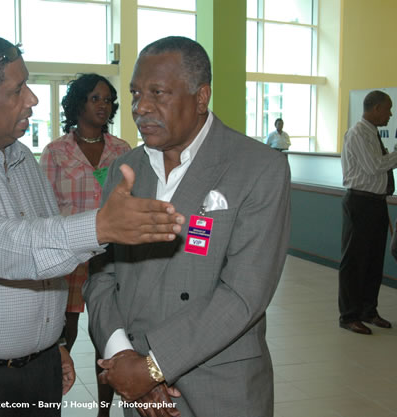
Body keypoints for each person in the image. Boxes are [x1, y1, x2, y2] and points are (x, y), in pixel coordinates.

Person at [0, 34, 185, 417]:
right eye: (17, 90)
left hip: (37, 372)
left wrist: (49, 341)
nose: (32, 99)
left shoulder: (21, 157)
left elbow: (40, 246)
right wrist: (98, 228)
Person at [84, 36, 291, 417]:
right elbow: (100, 274)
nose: (140, 107)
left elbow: (244, 294)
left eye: (158, 93)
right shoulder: (125, 169)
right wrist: (122, 356)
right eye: (134, 93)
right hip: (139, 390)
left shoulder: (258, 167)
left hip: (220, 385)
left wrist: (152, 367)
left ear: (201, 97)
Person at [40, 73, 131, 417]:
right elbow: (42, 209)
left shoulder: (123, 151)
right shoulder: (55, 153)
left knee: (107, 335)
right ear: (77, 103)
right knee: (63, 335)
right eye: (95, 98)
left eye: (107, 99)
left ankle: (104, 412)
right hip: (67, 259)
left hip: (110, 259)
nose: (103, 105)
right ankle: (53, 406)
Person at [339, 90, 397, 335]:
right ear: (375, 109)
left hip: (376, 203)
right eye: (388, 109)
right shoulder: (357, 134)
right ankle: (349, 315)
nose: (390, 114)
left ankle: (368, 310)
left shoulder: (372, 133)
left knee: (374, 260)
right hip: (360, 203)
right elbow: (374, 166)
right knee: (355, 261)